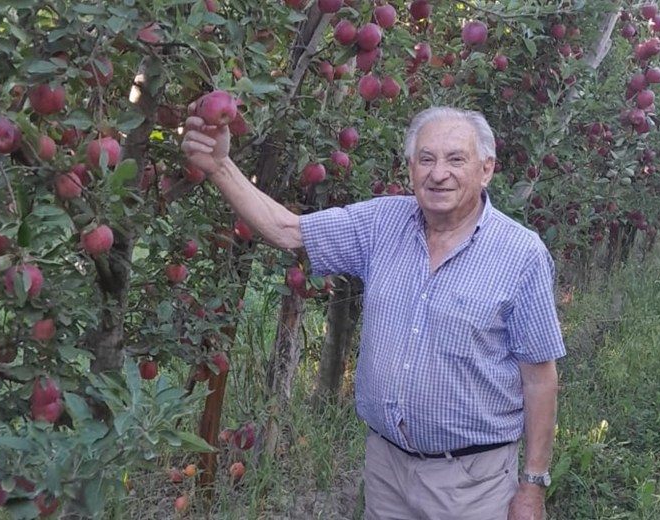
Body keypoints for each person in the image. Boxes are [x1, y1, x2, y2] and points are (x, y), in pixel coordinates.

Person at [181, 104, 566, 520]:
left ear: (485, 169)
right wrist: (220, 166)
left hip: (471, 480)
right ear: (410, 168)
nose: (439, 173)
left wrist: (533, 484)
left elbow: (539, 378)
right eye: (426, 159)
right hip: (387, 467)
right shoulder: (382, 224)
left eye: (456, 159)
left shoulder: (521, 255)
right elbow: (287, 230)